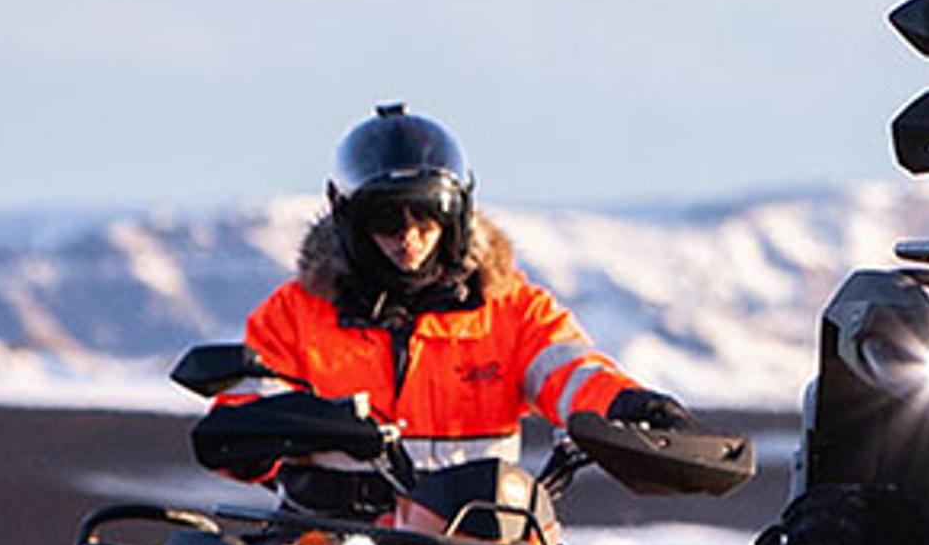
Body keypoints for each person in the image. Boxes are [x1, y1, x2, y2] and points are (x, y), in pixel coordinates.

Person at [215, 103, 686, 476]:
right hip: (331, 543)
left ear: (454, 219)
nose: (409, 238)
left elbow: (572, 375)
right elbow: (239, 418)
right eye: (386, 221)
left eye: (426, 218)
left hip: (480, 540)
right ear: (353, 224)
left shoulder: (513, 310)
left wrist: (629, 404)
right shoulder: (295, 315)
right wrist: (273, 432)